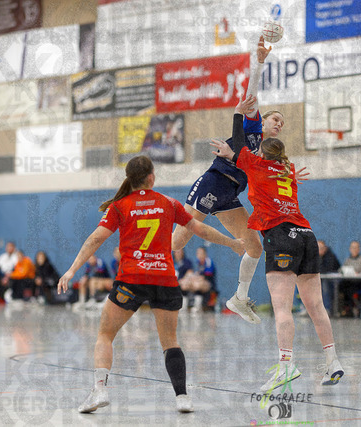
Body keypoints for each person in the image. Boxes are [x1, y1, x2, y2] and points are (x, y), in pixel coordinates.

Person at [57, 155, 244, 414]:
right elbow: (199, 229)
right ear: (151, 178)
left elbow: (95, 239)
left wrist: (71, 270)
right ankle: (182, 398)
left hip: (131, 280)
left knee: (105, 335)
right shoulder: (168, 203)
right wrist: (232, 242)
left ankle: (99, 390)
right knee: (170, 341)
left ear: (129, 179)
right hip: (164, 280)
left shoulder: (119, 206)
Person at [211, 96, 343, 392]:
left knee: (282, 308)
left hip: (281, 235)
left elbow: (239, 144)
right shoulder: (288, 171)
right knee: (316, 306)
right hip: (306, 235)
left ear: (261, 152)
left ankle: (286, 367)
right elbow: (263, 157)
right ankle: (332, 361)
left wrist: (237, 114)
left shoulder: (257, 164)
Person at [172, 36, 298, 325]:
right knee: (180, 240)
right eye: (275, 119)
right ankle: (144, 265)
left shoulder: (269, 153)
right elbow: (250, 95)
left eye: (282, 123)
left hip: (231, 195)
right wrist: (259, 63)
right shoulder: (252, 128)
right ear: (262, 120)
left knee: (254, 246)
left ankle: (239, 298)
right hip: (214, 181)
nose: (279, 124)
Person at [339, 240, 361, 317]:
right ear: (350, 249)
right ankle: (346, 310)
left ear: (359, 249)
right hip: (350, 282)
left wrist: (360, 274)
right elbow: (341, 270)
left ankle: (357, 309)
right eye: (352, 248)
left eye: (356, 248)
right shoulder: (347, 260)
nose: (354, 249)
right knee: (341, 286)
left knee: (351, 289)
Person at [179, 247, 216, 312]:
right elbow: (195, 274)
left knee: (197, 284)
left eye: (201, 253)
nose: (199, 255)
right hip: (199, 281)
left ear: (205, 254)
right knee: (185, 284)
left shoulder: (208, 262)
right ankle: (184, 305)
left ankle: (197, 306)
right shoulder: (198, 263)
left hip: (209, 285)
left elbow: (206, 277)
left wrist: (195, 279)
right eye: (198, 253)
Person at [317, 240, 341, 312]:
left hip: (332, 279)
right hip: (320, 278)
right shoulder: (314, 256)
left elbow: (327, 269)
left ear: (325, 248)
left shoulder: (330, 256)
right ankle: (308, 308)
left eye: (321, 248)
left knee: (325, 284)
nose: (319, 250)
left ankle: (326, 308)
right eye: (317, 248)